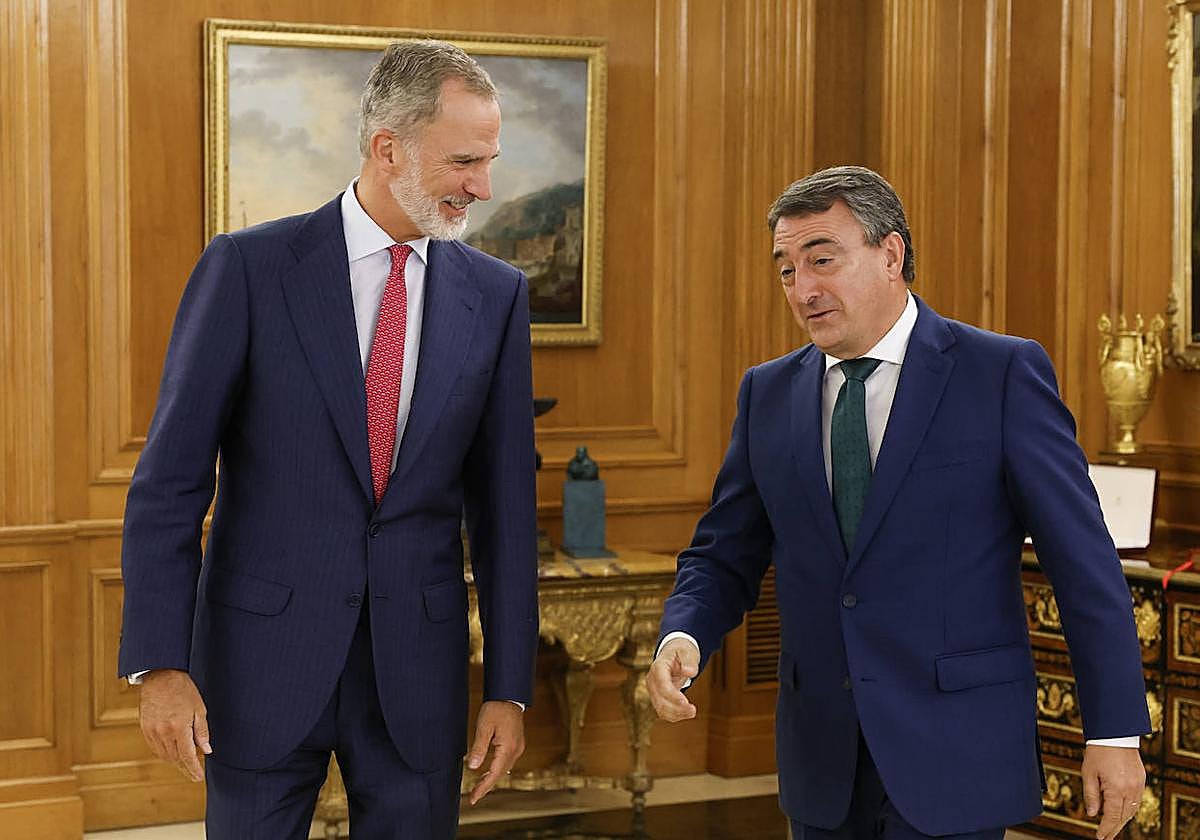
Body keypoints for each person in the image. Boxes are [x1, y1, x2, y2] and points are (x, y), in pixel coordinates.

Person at [648, 166, 1149, 840]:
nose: (802, 288)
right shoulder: (767, 393)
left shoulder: (999, 373)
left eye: (822, 260)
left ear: (890, 254)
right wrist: (683, 635)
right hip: (821, 759)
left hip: (958, 752)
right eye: (787, 270)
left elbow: (1084, 565)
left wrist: (1114, 731)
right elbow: (722, 554)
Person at [118, 39, 538, 839]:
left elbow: (506, 513)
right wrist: (160, 665)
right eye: (463, 162)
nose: (482, 186)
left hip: (418, 674)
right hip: (258, 665)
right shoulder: (248, 268)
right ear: (388, 148)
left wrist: (508, 689)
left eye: (490, 160)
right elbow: (169, 483)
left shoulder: (497, 296)